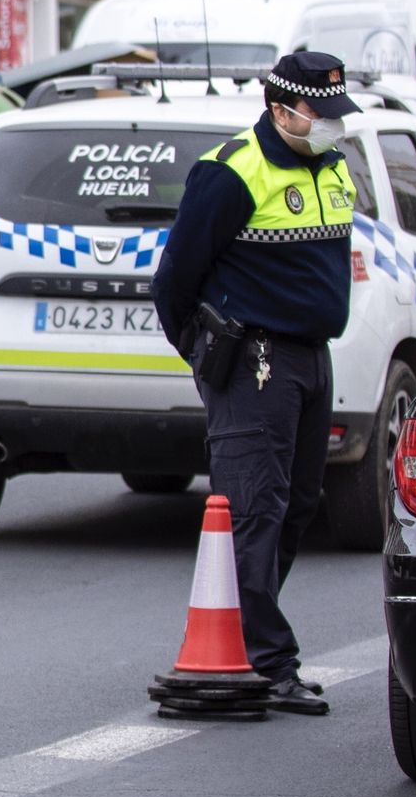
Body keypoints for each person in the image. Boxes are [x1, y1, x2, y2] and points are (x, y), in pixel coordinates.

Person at [152, 51, 359, 717]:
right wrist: (204, 354)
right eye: (319, 113)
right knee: (255, 509)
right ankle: (269, 662)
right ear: (280, 110)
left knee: (297, 505)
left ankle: (246, 640)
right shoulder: (233, 171)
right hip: (256, 361)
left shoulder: (331, 165)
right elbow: (174, 278)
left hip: (311, 357)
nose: (330, 125)